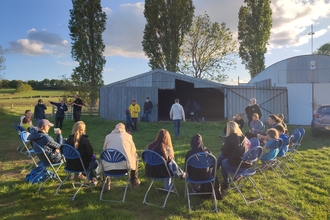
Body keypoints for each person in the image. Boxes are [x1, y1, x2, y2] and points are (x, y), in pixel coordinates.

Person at [102, 123, 140, 188]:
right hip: (125, 167)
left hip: (108, 168)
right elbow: (134, 151)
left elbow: (104, 149)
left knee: (103, 158)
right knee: (135, 156)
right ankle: (134, 180)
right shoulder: (128, 136)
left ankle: (106, 182)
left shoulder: (108, 137)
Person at [185, 134, 223, 199]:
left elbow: (186, 169)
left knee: (189, 172)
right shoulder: (208, 152)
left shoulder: (190, 154)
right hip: (207, 176)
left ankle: (193, 188)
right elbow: (213, 165)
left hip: (193, 177)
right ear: (202, 142)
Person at [217, 121, 251, 191]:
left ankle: (224, 181)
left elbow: (224, 153)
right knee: (221, 158)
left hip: (236, 164)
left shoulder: (229, 138)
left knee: (222, 160)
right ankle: (213, 171)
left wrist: (224, 146)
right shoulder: (243, 137)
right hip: (243, 162)